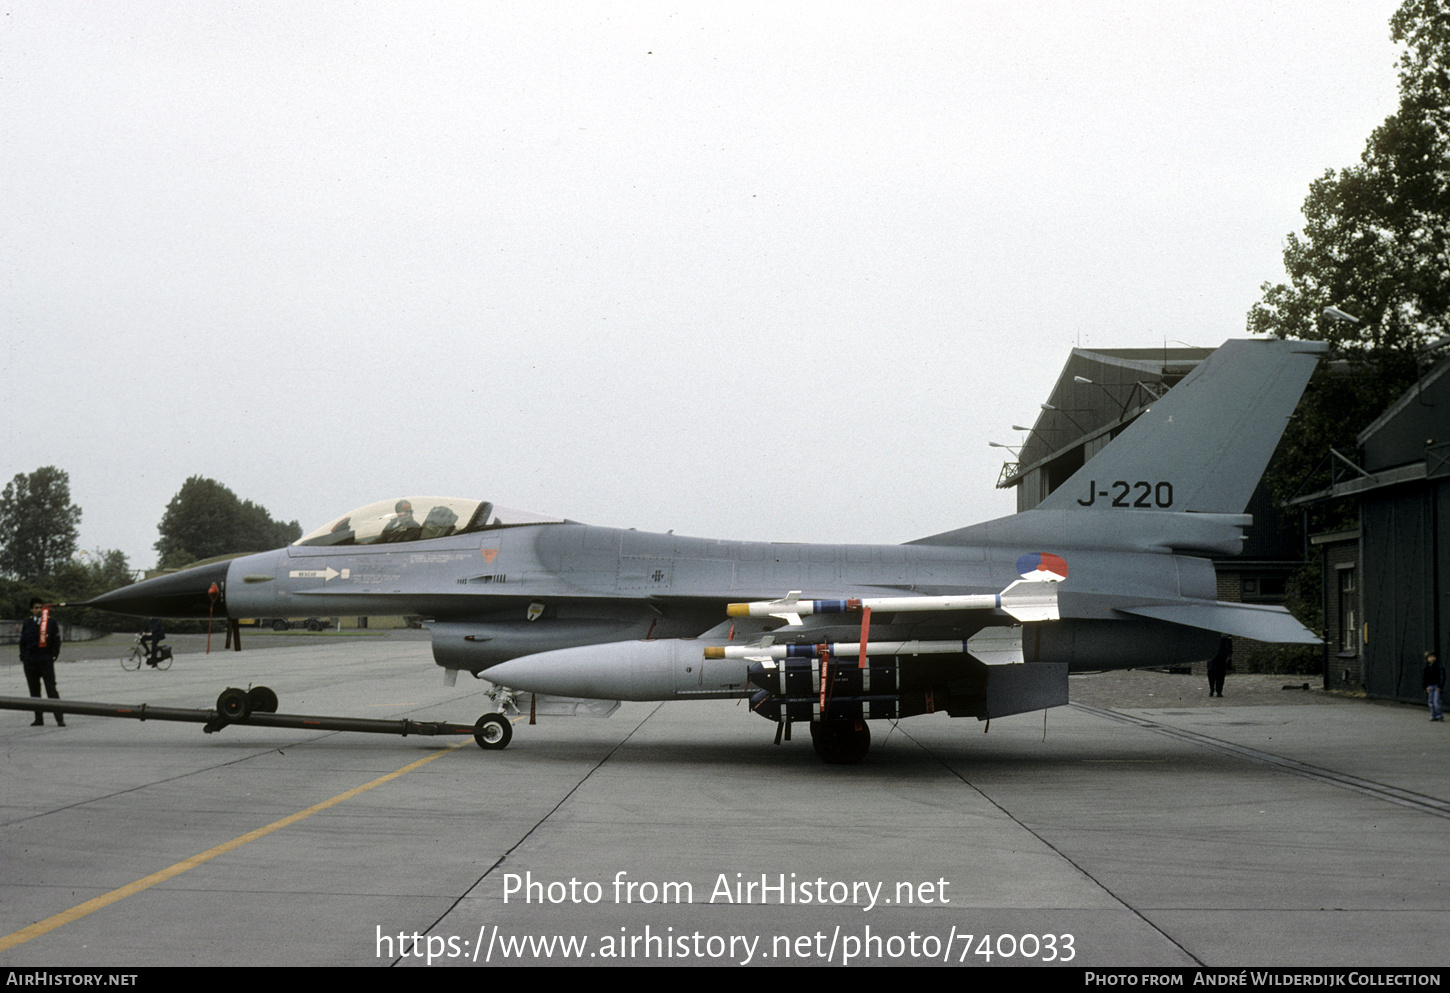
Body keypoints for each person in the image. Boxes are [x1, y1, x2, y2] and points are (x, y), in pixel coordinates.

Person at [19, 597, 63, 726]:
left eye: (41, 607)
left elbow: (56, 640)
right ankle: (38, 718)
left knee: (51, 689)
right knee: (34, 690)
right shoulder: (27, 623)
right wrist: (24, 656)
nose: (38, 610)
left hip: (45, 660)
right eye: (36, 608)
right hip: (31, 661)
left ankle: (59, 718)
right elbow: (23, 641)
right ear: (31, 610)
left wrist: (53, 655)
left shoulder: (51, 622)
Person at [1423, 651, 1444, 722]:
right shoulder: (1426, 667)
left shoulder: (1438, 666)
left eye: (1433, 657)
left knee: (1436, 701)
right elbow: (1424, 677)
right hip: (1430, 686)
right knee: (1431, 702)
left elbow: (1442, 676)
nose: (1432, 658)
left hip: (1436, 686)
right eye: (1430, 657)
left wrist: (1440, 686)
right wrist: (1426, 686)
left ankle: (1439, 715)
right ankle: (1433, 715)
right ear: (1427, 659)